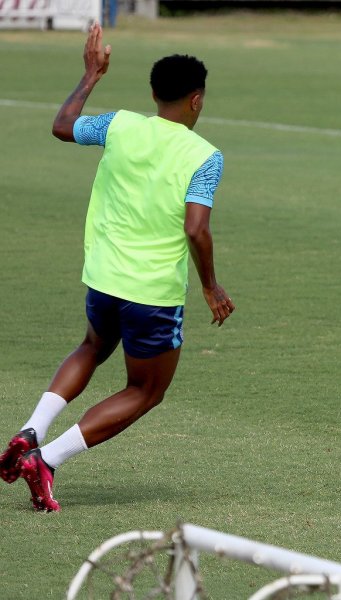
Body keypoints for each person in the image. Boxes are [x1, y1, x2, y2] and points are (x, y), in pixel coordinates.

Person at [0, 24, 235, 512]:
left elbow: (62, 125)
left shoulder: (119, 124)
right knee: (146, 390)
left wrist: (90, 75)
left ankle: (32, 429)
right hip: (151, 292)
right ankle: (45, 458)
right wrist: (211, 287)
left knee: (93, 344)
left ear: (153, 94)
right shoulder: (205, 156)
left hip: (103, 277)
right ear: (197, 100)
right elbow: (196, 228)